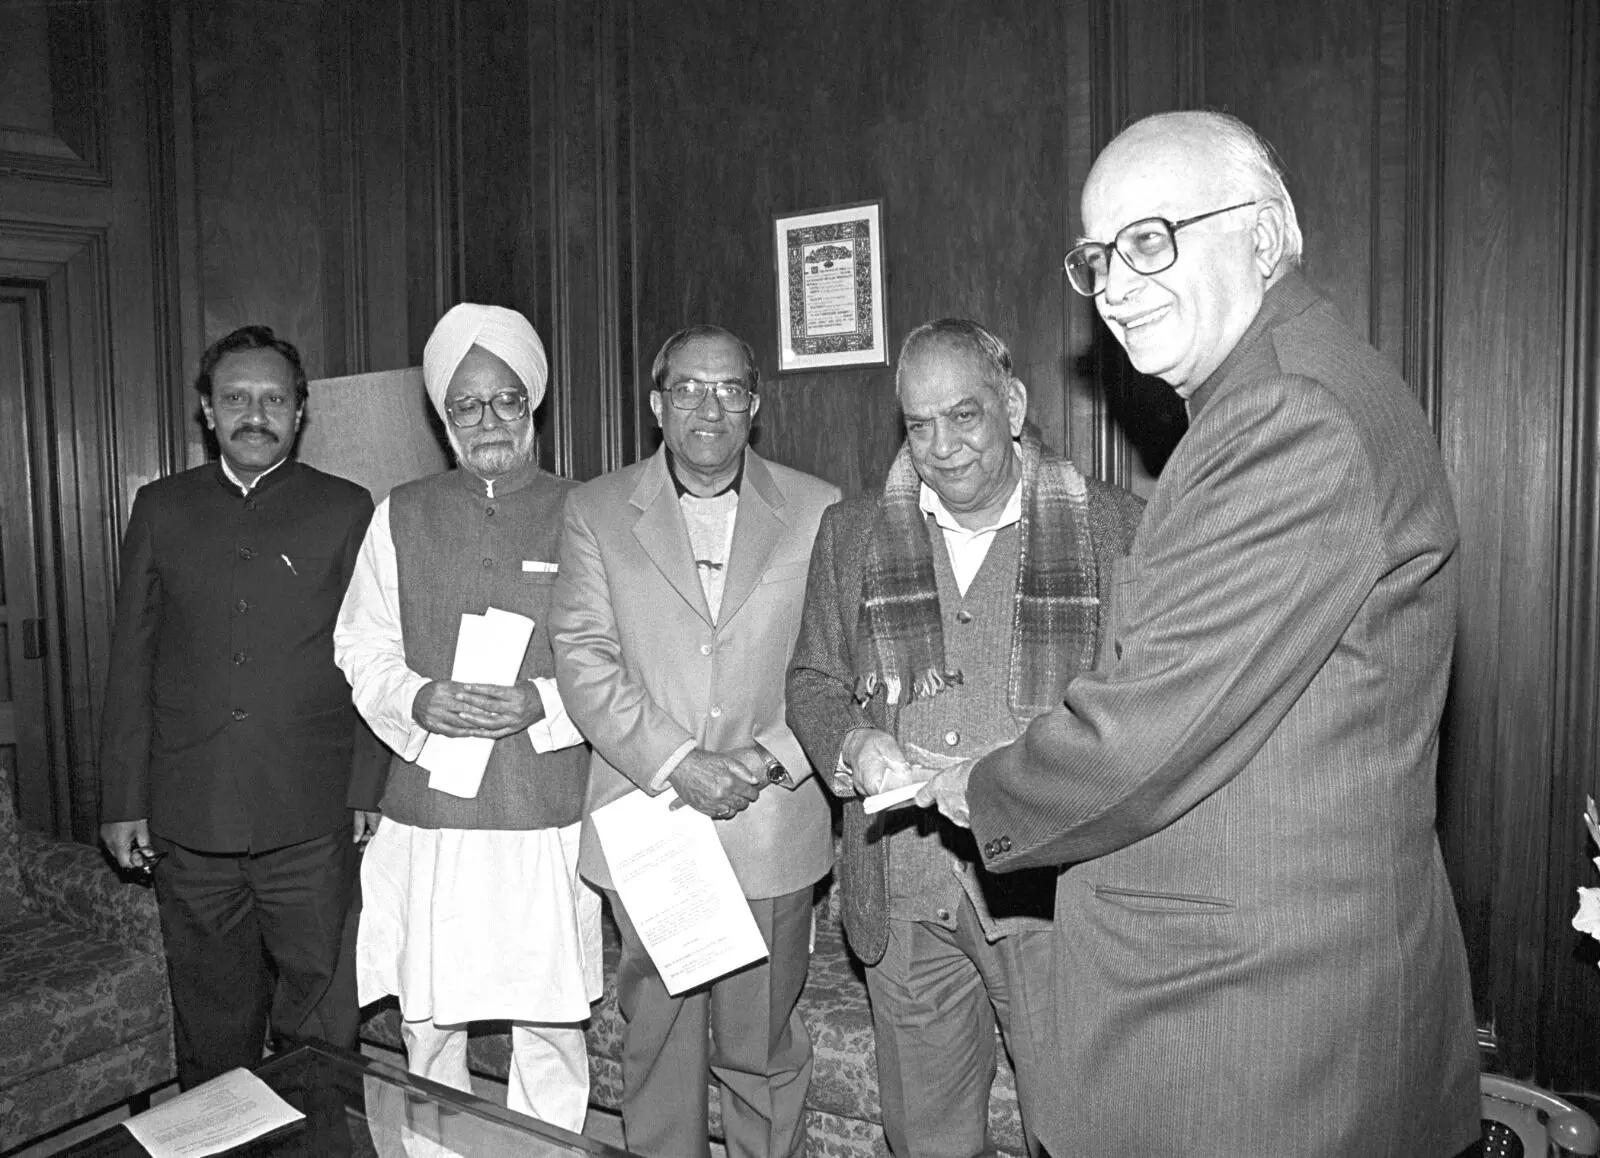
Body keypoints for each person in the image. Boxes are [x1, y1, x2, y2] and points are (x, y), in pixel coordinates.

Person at [914, 110, 1480, 1155]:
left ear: (1261, 237)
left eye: (1150, 239)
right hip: (1269, 1004)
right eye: (1097, 256)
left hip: (1256, 1030)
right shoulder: (1278, 390)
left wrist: (980, 787)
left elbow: (1149, 730)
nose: (1116, 286)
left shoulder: (1285, 413)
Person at [786, 318, 1143, 1158]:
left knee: (1080, 1135)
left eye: (964, 416)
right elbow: (812, 681)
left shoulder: (1115, 529)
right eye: (919, 425)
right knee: (927, 1143)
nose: (941, 448)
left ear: (1012, 406)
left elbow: (1144, 716)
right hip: (905, 900)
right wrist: (853, 747)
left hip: (1053, 907)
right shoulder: (853, 532)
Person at [550, 324, 840, 1158]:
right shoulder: (596, 510)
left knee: (762, 1054)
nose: (708, 408)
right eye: (687, 389)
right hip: (653, 821)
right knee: (659, 1050)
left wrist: (770, 759)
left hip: (771, 817)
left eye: (729, 390)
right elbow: (583, 658)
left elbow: (842, 659)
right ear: (655, 403)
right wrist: (681, 763)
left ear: (755, 405)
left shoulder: (820, 508)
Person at [333, 303, 601, 1131]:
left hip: (546, 806)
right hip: (432, 813)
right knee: (430, 1015)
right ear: (443, 414)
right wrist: (418, 699)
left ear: (534, 403)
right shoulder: (399, 512)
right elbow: (361, 644)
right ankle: (434, 1148)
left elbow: (622, 661)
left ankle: (549, 1151)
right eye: (467, 404)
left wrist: (541, 703)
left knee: (551, 1020)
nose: (489, 421)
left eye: (506, 400)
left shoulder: (589, 510)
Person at [98, 325, 377, 1089]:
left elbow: (375, 656)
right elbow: (131, 662)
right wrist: (124, 800)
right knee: (211, 1024)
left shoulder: (346, 508)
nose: (256, 415)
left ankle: (319, 1140)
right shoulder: (161, 508)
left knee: (321, 1022)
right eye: (236, 398)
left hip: (311, 812)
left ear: (300, 411)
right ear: (207, 409)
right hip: (191, 816)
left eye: (274, 400)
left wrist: (367, 787)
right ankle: (224, 1142)